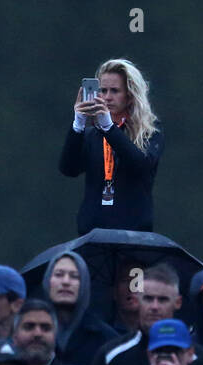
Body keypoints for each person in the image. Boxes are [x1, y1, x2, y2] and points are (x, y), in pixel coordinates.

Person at [60, 58, 164, 235]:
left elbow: (142, 166)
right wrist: (78, 124)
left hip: (133, 234)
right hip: (93, 234)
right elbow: (69, 169)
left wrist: (109, 128)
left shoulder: (150, 132)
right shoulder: (93, 134)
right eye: (103, 90)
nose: (107, 97)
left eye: (115, 91)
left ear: (130, 95)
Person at [89, 262, 184, 365]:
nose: (154, 306)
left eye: (163, 300)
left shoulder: (195, 358)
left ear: (177, 302)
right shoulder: (109, 356)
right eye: (148, 298)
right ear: (137, 300)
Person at [40, 247, 117, 365]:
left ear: (84, 285)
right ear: (47, 281)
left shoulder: (105, 338)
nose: (66, 282)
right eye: (59, 274)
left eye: (74, 276)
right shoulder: (33, 332)